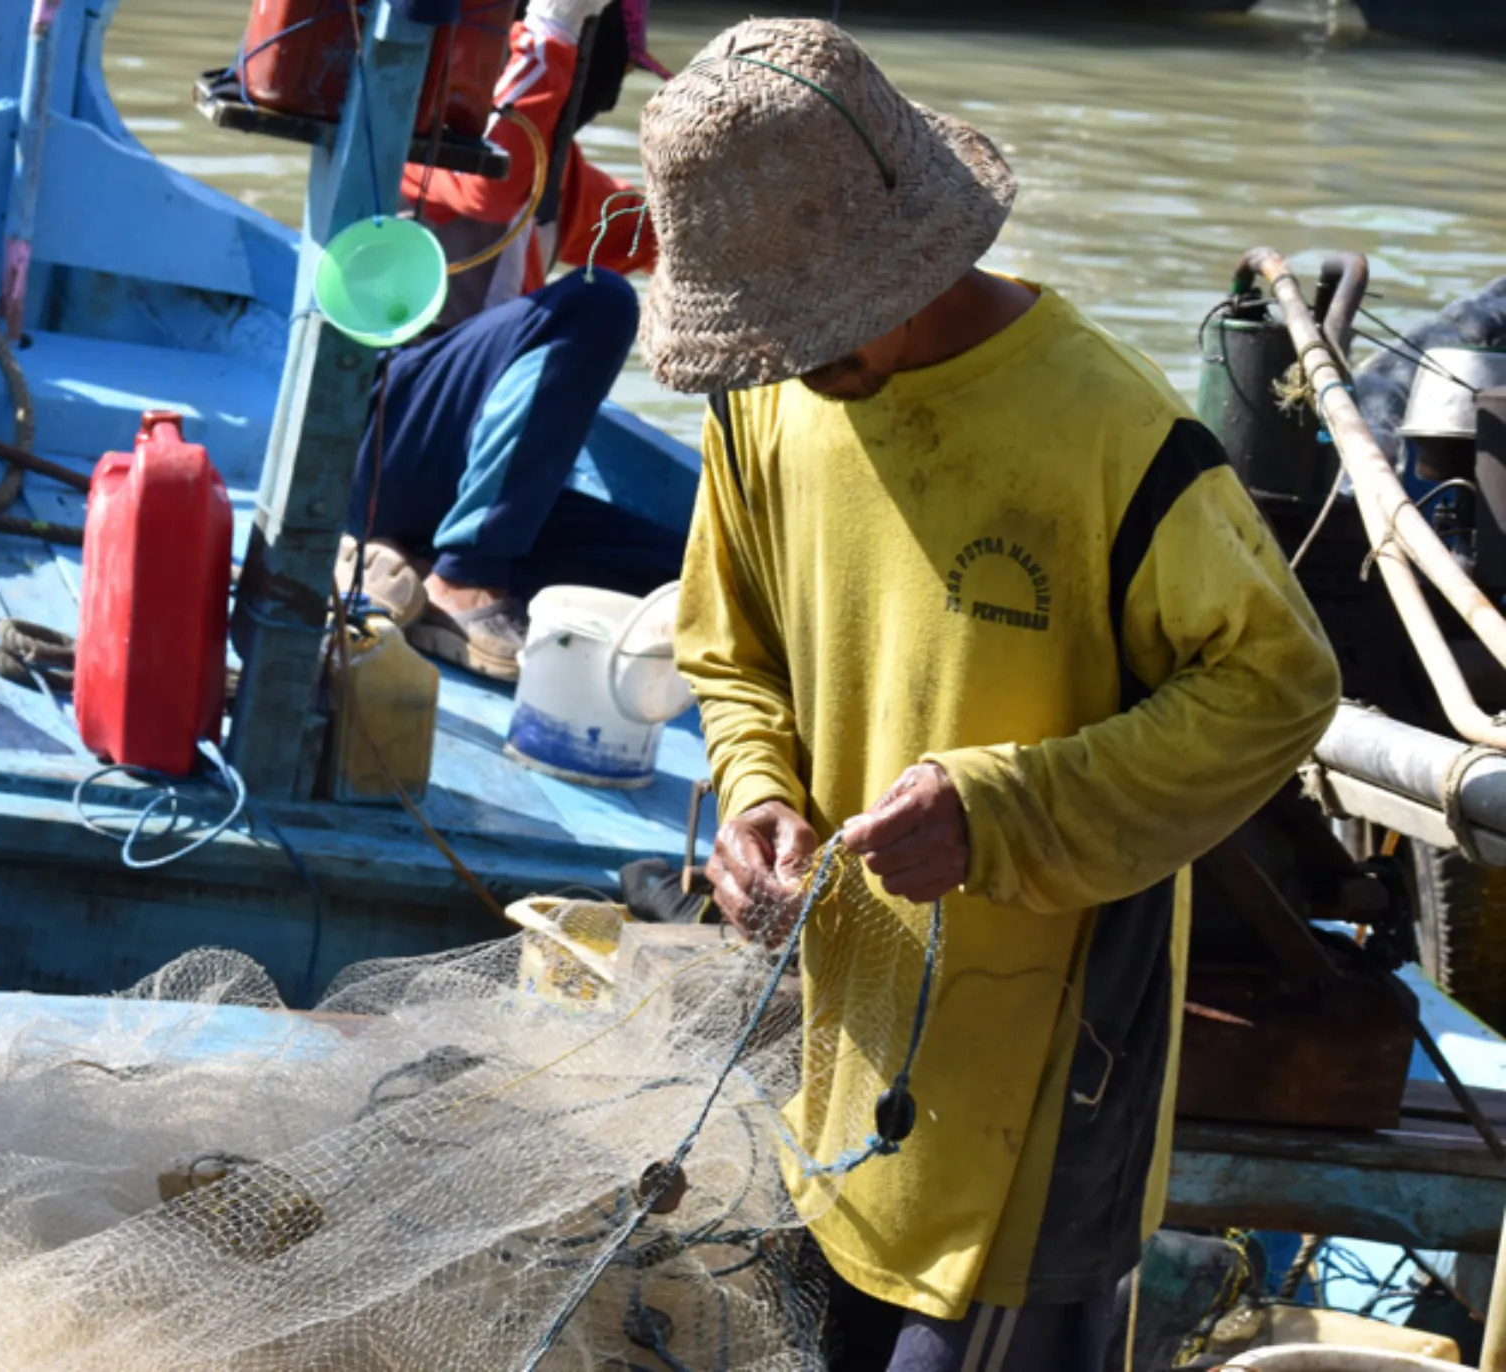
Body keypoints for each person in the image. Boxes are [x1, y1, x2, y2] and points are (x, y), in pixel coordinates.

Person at [641, 21, 1340, 1372]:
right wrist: (758, 797)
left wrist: (1002, 806)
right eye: (767, 333)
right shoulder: (763, 405)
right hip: (833, 1042)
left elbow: (1279, 686)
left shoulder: (1115, 436)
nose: (789, 358)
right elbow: (730, 651)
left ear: (909, 251)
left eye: (814, 325)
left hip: (1047, 1085)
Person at [339, 0, 683, 680]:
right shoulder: (416, 124)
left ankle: (405, 557)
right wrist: (556, 27)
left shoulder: (563, 177)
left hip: (454, 479)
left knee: (683, 569)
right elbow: (490, 186)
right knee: (597, 303)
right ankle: (461, 578)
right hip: (374, 441)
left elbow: (655, 232)